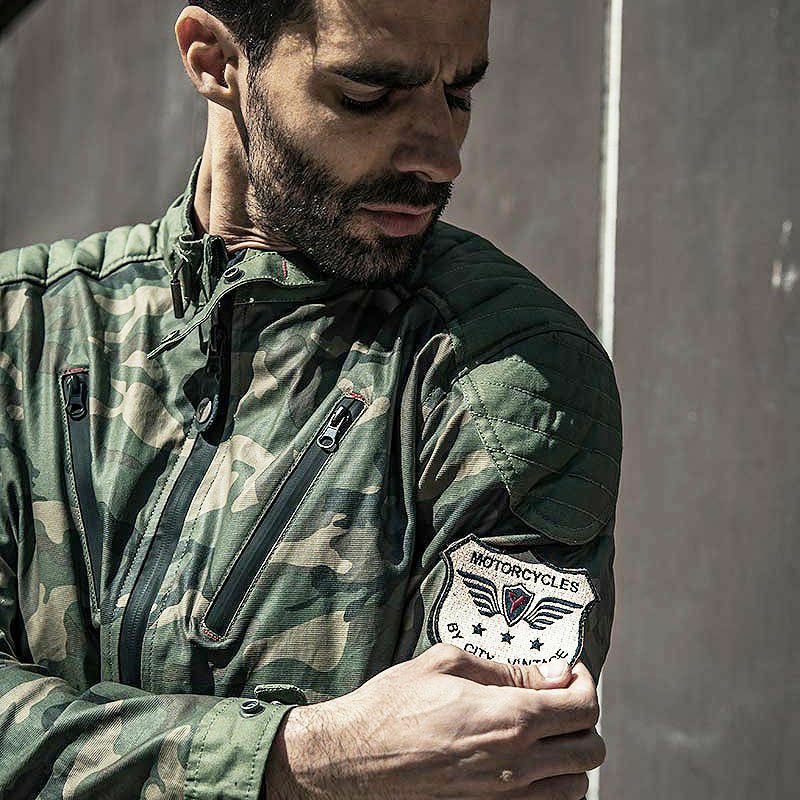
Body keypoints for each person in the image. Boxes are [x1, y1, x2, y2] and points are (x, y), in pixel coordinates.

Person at [0, 1, 622, 798]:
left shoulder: (509, 378)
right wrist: (310, 756)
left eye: (459, 94)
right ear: (214, 60)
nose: (441, 158)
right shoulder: (26, 330)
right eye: (367, 94)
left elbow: (492, 769)